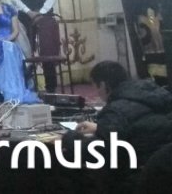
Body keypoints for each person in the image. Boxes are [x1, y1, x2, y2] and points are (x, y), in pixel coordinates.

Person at [73, 61, 172, 191]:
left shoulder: (115, 111)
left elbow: (101, 152)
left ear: (103, 85)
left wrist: (70, 139)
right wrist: (100, 127)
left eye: (96, 87)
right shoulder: (160, 96)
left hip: (140, 179)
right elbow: (143, 124)